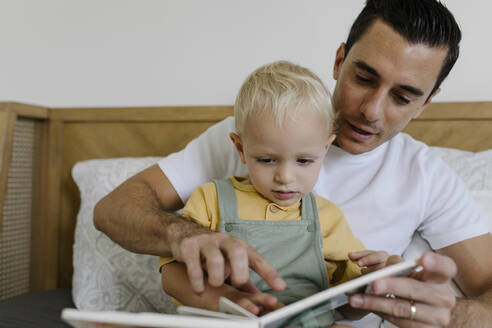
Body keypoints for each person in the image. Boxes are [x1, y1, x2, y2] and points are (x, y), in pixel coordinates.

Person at [94, 0, 492, 327]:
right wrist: (183, 235)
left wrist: (448, 315)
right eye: (364, 78)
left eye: (403, 97)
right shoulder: (249, 132)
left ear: (426, 102)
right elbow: (114, 210)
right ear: (339, 61)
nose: (371, 110)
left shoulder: (426, 176)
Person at [160, 61, 386, 327]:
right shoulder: (211, 200)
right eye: (267, 160)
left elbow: (352, 307)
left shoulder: (327, 217)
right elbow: (171, 274)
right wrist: (230, 298)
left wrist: (376, 284)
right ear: (241, 148)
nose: (285, 178)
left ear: (325, 149)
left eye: (303, 161)